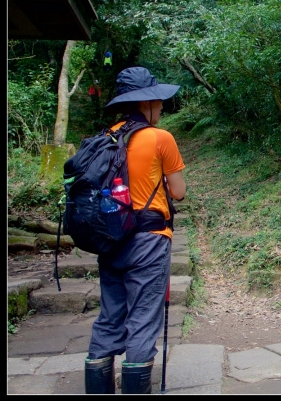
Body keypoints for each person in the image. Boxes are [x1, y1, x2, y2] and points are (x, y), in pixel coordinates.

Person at [84, 67, 187, 394]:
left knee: (110, 317)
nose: (161, 106)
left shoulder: (103, 138)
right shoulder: (160, 138)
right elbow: (179, 192)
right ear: (148, 103)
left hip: (110, 240)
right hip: (150, 241)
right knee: (142, 319)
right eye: (158, 101)